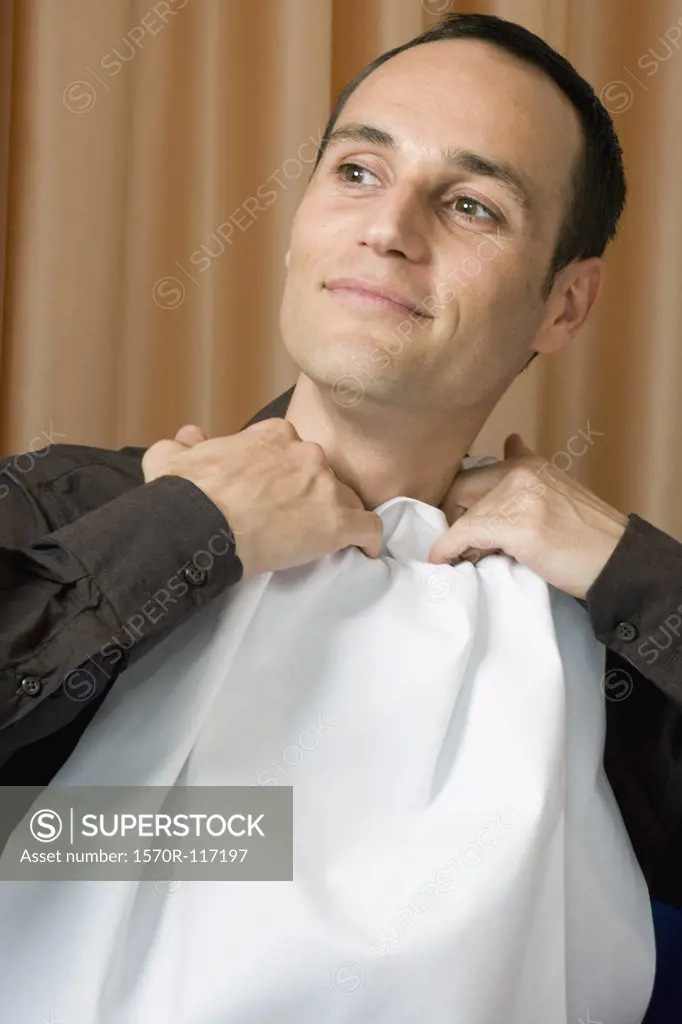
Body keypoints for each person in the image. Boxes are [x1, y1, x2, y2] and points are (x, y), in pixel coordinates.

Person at [0, 11, 681, 1015]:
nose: (388, 228)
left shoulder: (596, 623)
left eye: (471, 205)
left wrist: (629, 568)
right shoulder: (71, 508)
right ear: (296, 224)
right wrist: (189, 533)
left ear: (564, 307)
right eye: (357, 172)